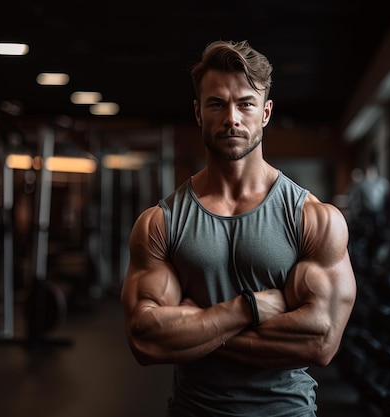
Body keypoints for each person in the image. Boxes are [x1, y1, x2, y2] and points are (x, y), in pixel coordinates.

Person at [120, 40, 357, 417]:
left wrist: (199, 324)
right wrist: (246, 309)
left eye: (245, 103)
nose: (232, 118)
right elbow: (146, 341)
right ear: (199, 113)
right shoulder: (160, 223)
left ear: (265, 112)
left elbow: (321, 341)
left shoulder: (313, 218)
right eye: (217, 103)